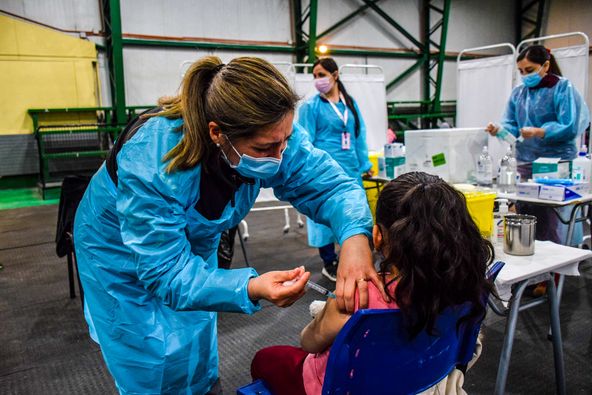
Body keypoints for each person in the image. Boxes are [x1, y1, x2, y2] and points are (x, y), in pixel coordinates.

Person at [73, 56, 386, 394]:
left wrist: (355, 239)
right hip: (117, 252)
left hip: (194, 242)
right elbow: (166, 273)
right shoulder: (153, 160)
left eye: (285, 141)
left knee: (195, 342)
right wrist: (249, 287)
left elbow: (331, 186)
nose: (280, 156)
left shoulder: (272, 134)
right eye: (265, 148)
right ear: (217, 133)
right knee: (147, 354)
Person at [251, 172, 495, 395]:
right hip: (421, 376)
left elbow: (308, 342)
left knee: (264, 358)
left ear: (377, 236)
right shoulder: (468, 286)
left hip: (342, 387)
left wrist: (326, 312)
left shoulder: (359, 297)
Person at [486, 44, 590, 244]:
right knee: (526, 213)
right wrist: (499, 130)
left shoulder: (562, 88)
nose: (525, 75)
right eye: (521, 71)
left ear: (545, 65)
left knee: (553, 216)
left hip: (556, 163)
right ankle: (531, 254)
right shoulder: (519, 93)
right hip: (525, 162)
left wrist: (540, 131)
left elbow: (570, 125)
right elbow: (512, 127)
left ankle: (559, 258)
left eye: (530, 70)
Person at [298, 57, 374, 282]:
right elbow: (304, 141)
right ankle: (328, 261)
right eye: (314, 76)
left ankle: (351, 256)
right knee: (324, 217)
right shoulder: (311, 107)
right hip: (323, 172)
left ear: (335, 75)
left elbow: (359, 136)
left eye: (321, 75)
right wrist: (307, 170)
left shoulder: (350, 105)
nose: (317, 80)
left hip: (350, 169)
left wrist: (365, 164)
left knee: (353, 212)